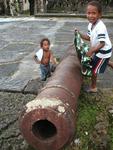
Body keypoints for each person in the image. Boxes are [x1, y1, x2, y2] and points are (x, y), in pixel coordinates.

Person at [75, 1, 113, 92]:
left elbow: (102, 43)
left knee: (94, 69)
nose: (91, 15)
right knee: (101, 61)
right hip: (98, 50)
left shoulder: (100, 27)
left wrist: (91, 51)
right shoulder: (90, 25)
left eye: (94, 13)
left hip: (103, 51)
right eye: (89, 13)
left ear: (100, 15)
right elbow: (88, 37)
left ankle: (94, 87)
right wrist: (79, 34)